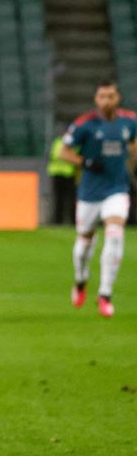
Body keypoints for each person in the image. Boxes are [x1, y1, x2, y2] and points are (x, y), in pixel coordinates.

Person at [59, 80, 137, 317]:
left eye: (111, 96)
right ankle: (81, 280)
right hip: (90, 193)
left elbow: (133, 144)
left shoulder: (129, 121)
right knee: (84, 243)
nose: (106, 101)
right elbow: (64, 152)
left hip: (116, 189)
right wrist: (85, 162)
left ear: (117, 98)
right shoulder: (85, 125)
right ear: (96, 99)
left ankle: (105, 294)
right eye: (102, 96)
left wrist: (131, 164)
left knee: (115, 235)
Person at [47, 130, 78, 226]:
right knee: (59, 199)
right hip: (58, 173)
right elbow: (58, 155)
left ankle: (73, 220)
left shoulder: (70, 143)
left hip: (69, 173)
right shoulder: (58, 142)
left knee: (71, 199)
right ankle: (58, 220)